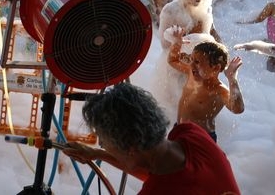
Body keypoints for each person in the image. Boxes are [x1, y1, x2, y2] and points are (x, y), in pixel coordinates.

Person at [62, 82, 240, 194]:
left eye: (104, 141)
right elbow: (159, 174)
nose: (103, 145)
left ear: (130, 149)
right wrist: (97, 154)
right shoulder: (191, 133)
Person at [167, 30, 244, 141]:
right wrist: (177, 44)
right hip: (180, 128)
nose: (191, 64)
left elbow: (237, 109)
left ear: (216, 68)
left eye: (197, 62)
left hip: (201, 138)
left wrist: (232, 79)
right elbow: (172, 60)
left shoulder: (218, 89)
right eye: (191, 59)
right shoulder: (191, 72)